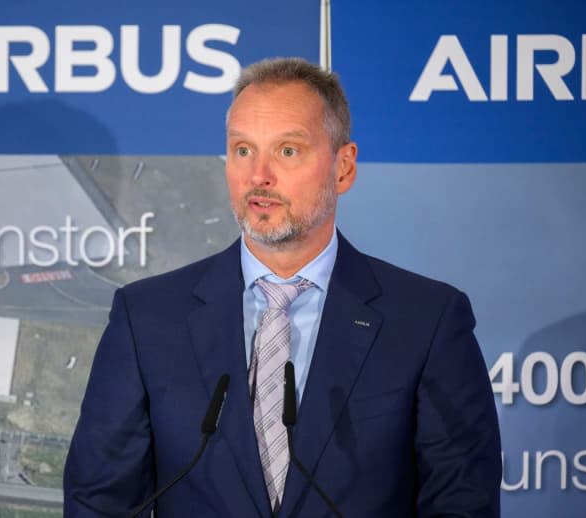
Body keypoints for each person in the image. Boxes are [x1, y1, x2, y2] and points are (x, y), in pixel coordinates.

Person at [64, 57, 501, 517]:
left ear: (343, 168)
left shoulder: (427, 321)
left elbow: (463, 503)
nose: (259, 176)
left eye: (288, 150)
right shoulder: (147, 318)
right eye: (242, 150)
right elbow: (99, 502)